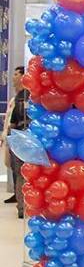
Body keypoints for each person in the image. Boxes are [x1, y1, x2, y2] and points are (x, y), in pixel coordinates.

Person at [3, 67, 29, 215]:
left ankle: (22, 206)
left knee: (20, 173)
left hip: (20, 138)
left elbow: (13, 121)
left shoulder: (24, 97)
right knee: (20, 172)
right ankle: (22, 203)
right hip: (22, 138)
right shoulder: (19, 97)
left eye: (16, 74)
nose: (13, 77)